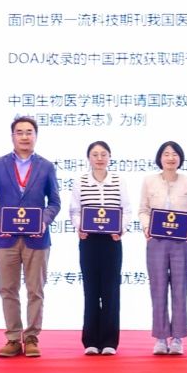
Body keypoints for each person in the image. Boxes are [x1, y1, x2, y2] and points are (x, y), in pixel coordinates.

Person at [0, 115, 62, 359]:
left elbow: (55, 202)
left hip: (36, 239)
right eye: (20, 132)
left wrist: (43, 221)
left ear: (36, 136)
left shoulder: (46, 166)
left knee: (35, 290)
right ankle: (13, 338)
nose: (25, 137)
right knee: (8, 289)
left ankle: (32, 337)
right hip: (5, 238)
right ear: (12, 136)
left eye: (29, 132)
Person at [139, 140, 187, 356]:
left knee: (180, 290)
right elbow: (143, 210)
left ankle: (177, 338)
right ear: (160, 158)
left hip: (181, 242)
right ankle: (160, 337)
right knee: (158, 290)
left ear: (180, 158)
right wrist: (146, 227)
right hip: (156, 242)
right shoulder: (149, 181)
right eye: (166, 154)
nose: (170, 158)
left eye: (174, 154)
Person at [70, 140, 127, 356]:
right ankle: (91, 341)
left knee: (111, 291)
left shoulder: (118, 181)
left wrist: (120, 229)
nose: (100, 158)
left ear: (110, 157)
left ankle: (110, 341)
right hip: (89, 241)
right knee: (91, 291)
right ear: (89, 158)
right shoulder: (81, 181)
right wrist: (79, 227)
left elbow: (127, 209)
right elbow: (75, 210)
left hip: (112, 241)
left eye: (104, 154)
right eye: (95, 154)